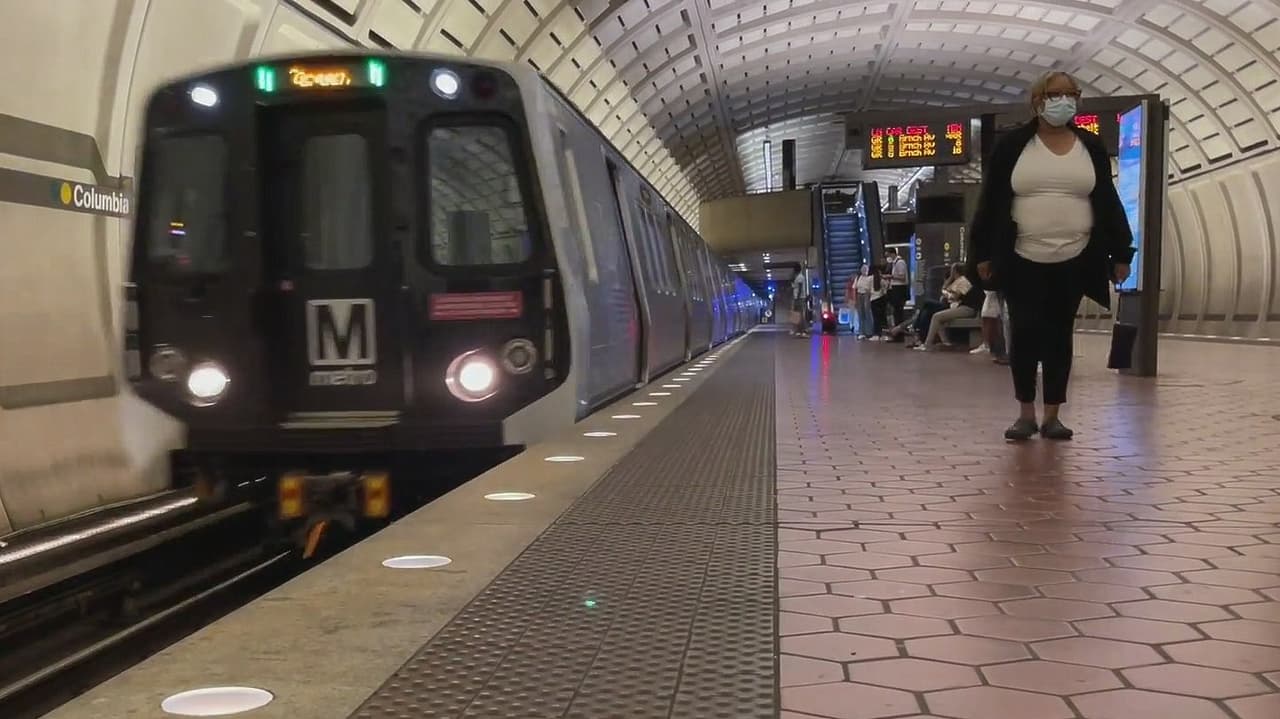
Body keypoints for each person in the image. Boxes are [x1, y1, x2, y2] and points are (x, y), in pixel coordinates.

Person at [968, 70, 1135, 441]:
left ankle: (1053, 414)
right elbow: (991, 202)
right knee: (1024, 333)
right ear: (1038, 100)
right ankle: (1025, 411)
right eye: (1056, 94)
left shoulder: (1089, 146)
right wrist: (981, 252)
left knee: (1060, 334)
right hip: (1021, 255)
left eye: (1071, 94)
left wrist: (1122, 252)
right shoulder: (1013, 146)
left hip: (1075, 256)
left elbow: (1107, 201)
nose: (1064, 100)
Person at [915, 264, 982, 350]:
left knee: (936, 316)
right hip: (961, 307)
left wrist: (947, 292)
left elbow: (954, 296)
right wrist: (949, 282)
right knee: (939, 317)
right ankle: (946, 343)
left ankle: (927, 344)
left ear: (954, 271)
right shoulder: (958, 281)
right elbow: (945, 289)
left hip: (967, 309)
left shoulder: (963, 281)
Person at [883, 248, 910, 326]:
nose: (888, 258)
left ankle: (900, 326)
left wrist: (890, 276)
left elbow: (902, 277)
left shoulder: (900, 262)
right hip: (895, 288)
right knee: (896, 309)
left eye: (889, 255)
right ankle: (897, 325)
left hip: (899, 288)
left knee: (899, 309)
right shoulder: (894, 263)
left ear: (893, 254)